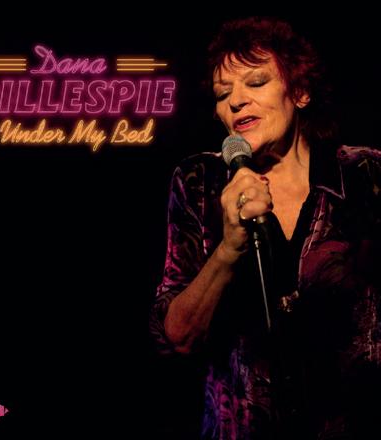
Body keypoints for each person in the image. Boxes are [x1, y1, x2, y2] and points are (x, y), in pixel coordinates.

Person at [149, 16, 381, 440]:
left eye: (255, 83)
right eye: (223, 93)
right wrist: (228, 249)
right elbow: (177, 337)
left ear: (301, 92)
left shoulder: (364, 173)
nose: (236, 101)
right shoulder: (199, 183)